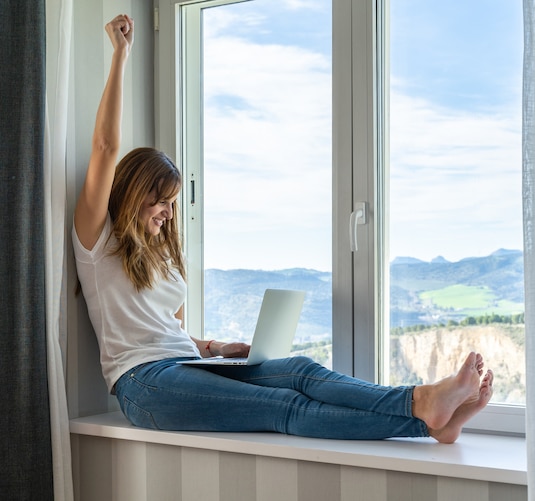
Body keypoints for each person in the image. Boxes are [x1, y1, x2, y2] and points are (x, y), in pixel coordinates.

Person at [72, 14, 494, 444]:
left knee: (299, 371)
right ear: (131, 192)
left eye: (173, 203)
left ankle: (426, 408)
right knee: (284, 408)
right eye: (159, 200)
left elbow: (168, 331)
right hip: (144, 384)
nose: (168, 213)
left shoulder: (162, 255)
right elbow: (104, 148)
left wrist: (215, 348)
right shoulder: (98, 241)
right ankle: (424, 414)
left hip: (186, 366)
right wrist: (121, 54)